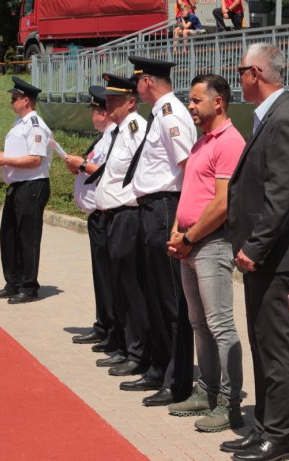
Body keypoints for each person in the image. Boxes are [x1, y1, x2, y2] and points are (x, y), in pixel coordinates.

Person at [221, 43, 289, 461]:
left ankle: (279, 435)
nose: (238, 78)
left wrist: (254, 246)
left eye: (240, 71)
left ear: (255, 73)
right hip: (263, 256)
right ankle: (264, 428)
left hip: (275, 258)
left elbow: (282, 194)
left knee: (275, 348)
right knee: (262, 344)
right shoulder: (270, 117)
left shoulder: (285, 120)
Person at [166, 74, 245, 432]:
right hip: (190, 242)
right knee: (199, 323)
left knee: (220, 325)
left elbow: (223, 203)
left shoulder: (229, 142)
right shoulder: (202, 143)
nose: (190, 107)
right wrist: (177, 232)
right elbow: (191, 192)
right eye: (190, 100)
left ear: (219, 102)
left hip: (212, 244)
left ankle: (230, 402)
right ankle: (208, 390)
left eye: (197, 101)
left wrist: (190, 236)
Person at [121, 55, 197, 407]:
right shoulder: (159, 114)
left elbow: (188, 168)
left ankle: (176, 379)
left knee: (170, 300)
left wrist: (182, 222)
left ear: (147, 81)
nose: (136, 86)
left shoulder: (171, 115)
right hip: (151, 209)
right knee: (154, 294)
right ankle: (157, 367)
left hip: (167, 208)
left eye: (137, 80)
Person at [91, 73, 152, 378]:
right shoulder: (118, 131)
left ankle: (138, 352)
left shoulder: (136, 129)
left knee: (131, 288)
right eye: (107, 99)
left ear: (130, 103)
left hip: (128, 216)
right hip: (114, 217)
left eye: (114, 99)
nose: (108, 103)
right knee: (119, 287)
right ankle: (126, 346)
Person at [0, 77, 53, 304]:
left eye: (14, 99)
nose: (11, 102)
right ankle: (12, 282)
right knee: (9, 235)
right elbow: (17, 153)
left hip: (32, 185)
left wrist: (5, 159)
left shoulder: (36, 126)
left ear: (26, 100)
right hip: (17, 185)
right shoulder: (19, 123)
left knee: (28, 238)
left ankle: (28, 286)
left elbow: (35, 160)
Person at [64, 86, 117, 346]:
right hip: (97, 216)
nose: (92, 116)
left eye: (95, 111)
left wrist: (82, 165)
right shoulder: (102, 138)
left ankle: (110, 328)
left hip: (106, 215)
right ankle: (103, 323)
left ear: (104, 113)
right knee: (100, 275)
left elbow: (106, 171)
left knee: (108, 276)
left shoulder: (112, 138)